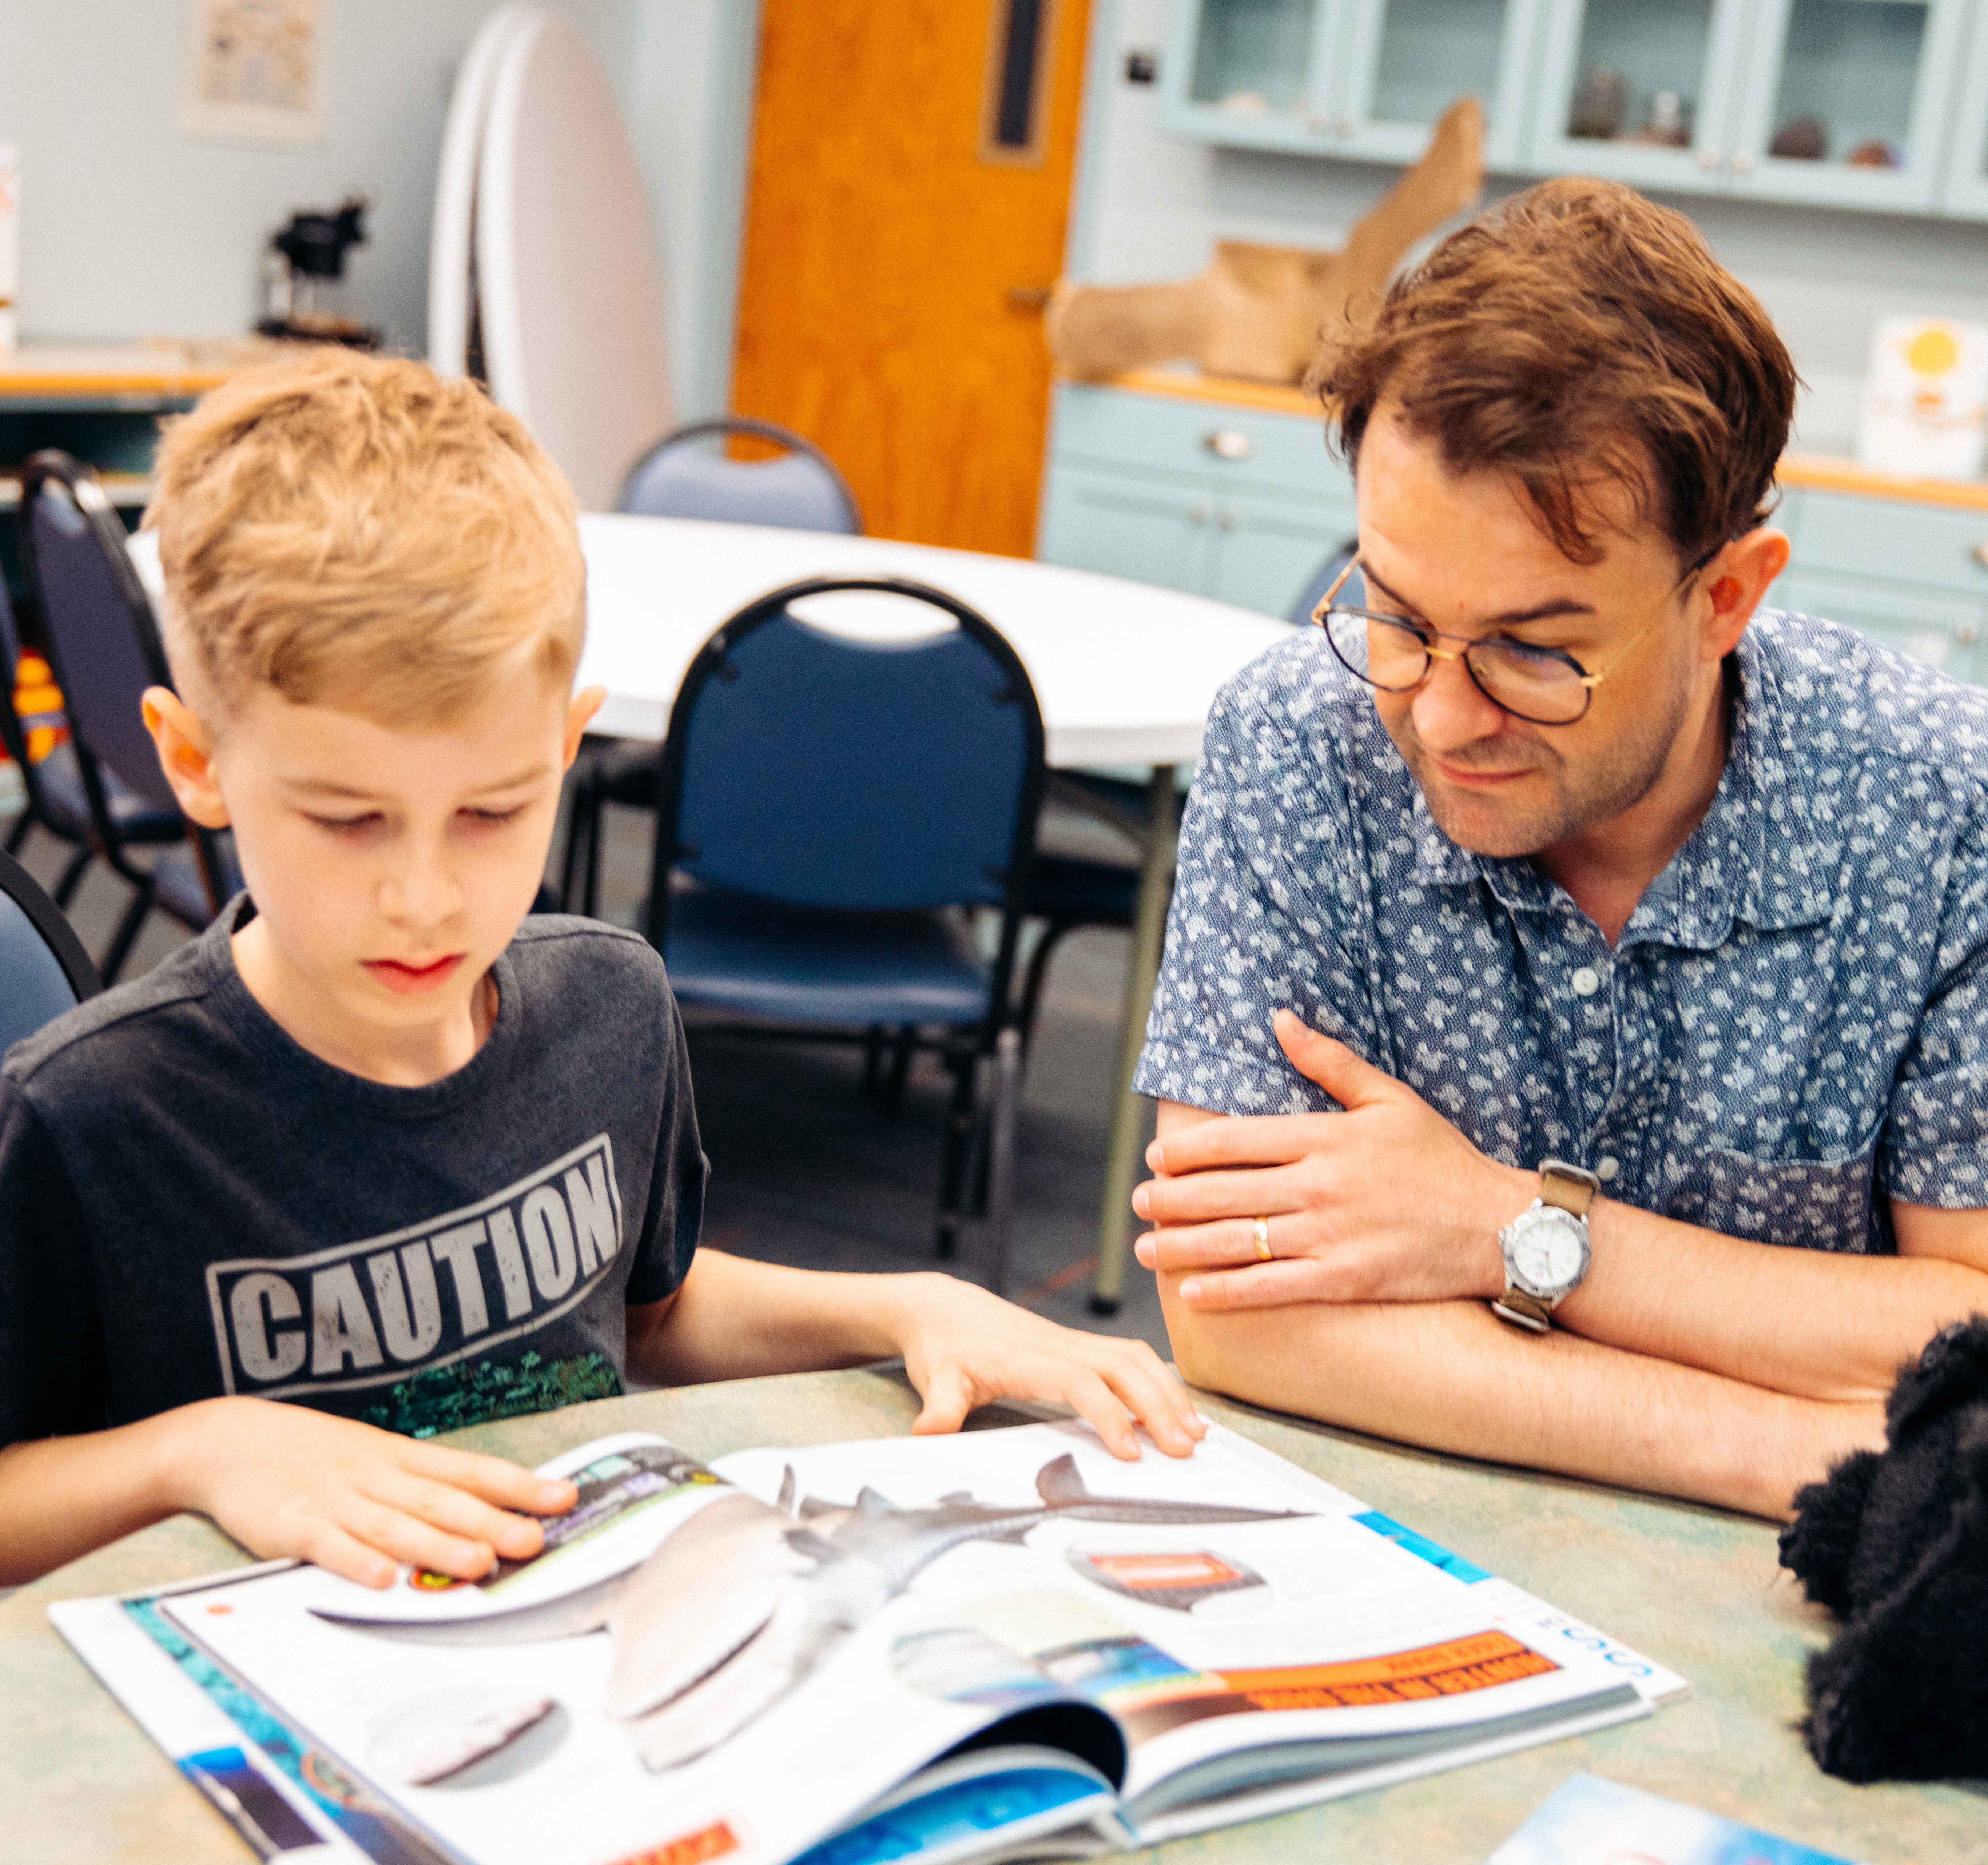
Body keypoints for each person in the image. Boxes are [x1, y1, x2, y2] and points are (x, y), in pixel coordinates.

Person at [0, 349, 1202, 1591]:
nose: (426, 899)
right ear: (193, 761)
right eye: (347, 822)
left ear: (567, 748)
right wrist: (196, 1453)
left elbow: (643, 1307)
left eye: (492, 811)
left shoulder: (609, 1007)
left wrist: (906, 1306)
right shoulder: (89, 1115)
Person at [1129, 177, 1988, 1520]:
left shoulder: (1943, 810)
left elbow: (1967, 1348)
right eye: (1400, 614)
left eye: (1537, 651)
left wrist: (1495, 1226)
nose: (1443, 715)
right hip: (1408, 1538)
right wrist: (1787, 1451)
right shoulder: (1303, 740)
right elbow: (1233, 1307)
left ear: (1726, 598)